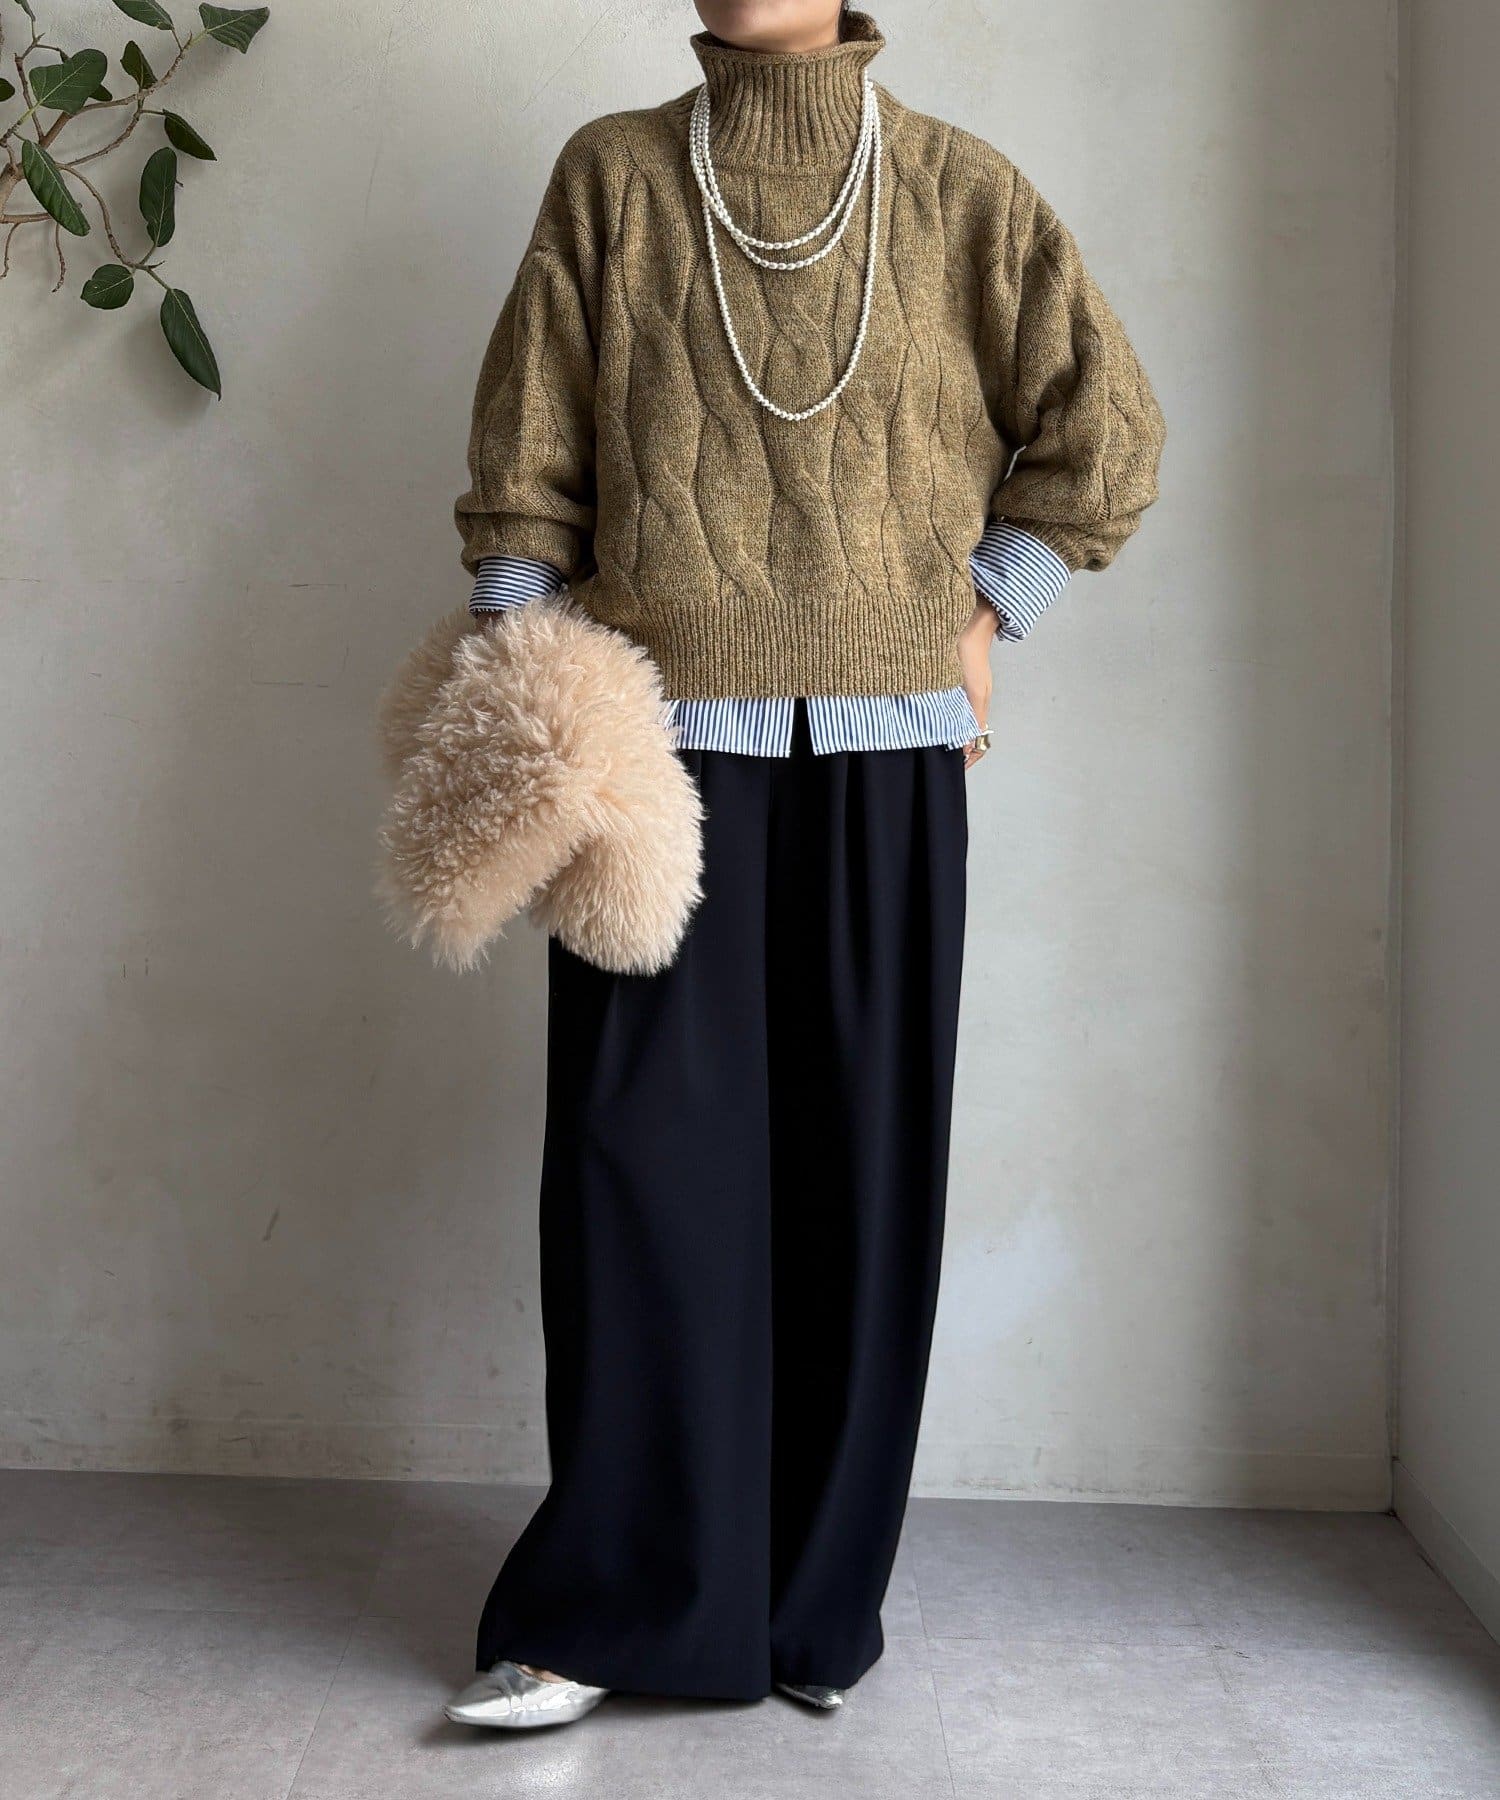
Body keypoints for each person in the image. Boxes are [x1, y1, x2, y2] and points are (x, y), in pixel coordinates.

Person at [441, 0, 1165, 1730]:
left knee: (861, 1175)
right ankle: (613, 1611)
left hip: (890, 762)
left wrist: (987, 615)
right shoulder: (614, 179)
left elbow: (1110, 435)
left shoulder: (959, 190)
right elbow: (522, 491)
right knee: (634, 1180)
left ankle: (810, 1611)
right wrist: (543, 705)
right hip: (656, 760)